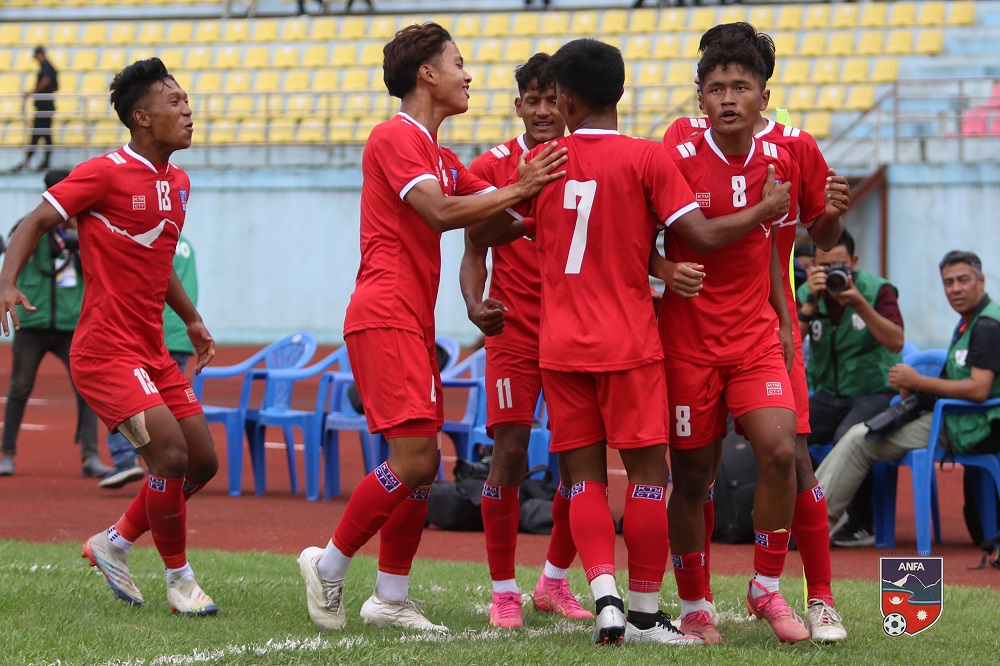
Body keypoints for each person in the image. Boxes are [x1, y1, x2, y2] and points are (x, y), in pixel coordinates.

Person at [502, 37, 789, 647]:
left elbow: (492, 225)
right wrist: (764, 209)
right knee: (648, 478)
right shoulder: (646, 157)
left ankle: (602, 597)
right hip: (628, 343)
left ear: (565, 100)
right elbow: (701, 236)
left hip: (560, 345)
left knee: (583, 479)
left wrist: (511, 207)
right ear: (620, 93)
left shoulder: (541, 164)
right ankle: (643, 612)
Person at [296, 22, 567, 634]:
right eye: (459, 63)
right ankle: (329, 563)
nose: (468, 76)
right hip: (385, 314)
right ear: (427, 74)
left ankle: (390, 594)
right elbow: (443, 213)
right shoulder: (395, 136)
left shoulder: (441, 157)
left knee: (421, 463)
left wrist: (545, 202)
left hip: (414, 321)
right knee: (415, 460)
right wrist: (522, 187)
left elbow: (497, 219)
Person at [0, 58, 220, 616]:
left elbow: (157, 258)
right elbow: (34, 222)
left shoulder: (179, 183)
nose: (188, 111)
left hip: (152, 350)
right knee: (169, 455)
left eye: (186, 100)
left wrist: (192, 319)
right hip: (104, 352)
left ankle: (114, 542)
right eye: (175, 102)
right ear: (142, 117)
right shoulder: (103, 172)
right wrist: (6, 281)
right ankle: (180, 580)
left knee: (202, 462)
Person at [661, 22, 851, 643]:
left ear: (763, 94)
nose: (728, 98)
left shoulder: (792, 149)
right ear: (700, 94)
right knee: (694, 476)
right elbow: (660, 234)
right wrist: (663, 270)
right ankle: (695, 603)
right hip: (689, 337)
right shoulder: (678, 145)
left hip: (759, 330)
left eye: (740, 86)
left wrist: (831, 217)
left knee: (785, 454)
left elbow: (814, 235)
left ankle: (789, 592)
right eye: (715, 87)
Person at [459, 53, 590, 629]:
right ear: (517, 106)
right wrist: (474, 304)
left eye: (551, 100)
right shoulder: (491, 166)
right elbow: (473, 246)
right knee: (509, 452)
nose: (542, 110)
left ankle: (554, 582)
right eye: (532, 100)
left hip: (575, 329)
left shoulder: (588, 161)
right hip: (513, 329)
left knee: (578, 461)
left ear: (568, 104)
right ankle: (504, 590)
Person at [817, 250, 1000, 529]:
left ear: (981, 281)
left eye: (963, 280)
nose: (955, 289)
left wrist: (919, 382)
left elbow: (979, 390)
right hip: (954, 418)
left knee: (859, 441)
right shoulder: (971, 320)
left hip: (969, 424)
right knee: (855, 435)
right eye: (948, 282)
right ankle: (811, 516)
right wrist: (915, 392)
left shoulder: (987, 325)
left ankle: (817, 523)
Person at [0, 169, 111, 479]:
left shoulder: (84, 226)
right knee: (20, 387)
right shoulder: (30, 224)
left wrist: (77, 234)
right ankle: (7, 453)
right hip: (32, 321)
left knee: (86, 390)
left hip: (70, 323)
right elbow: (13, 249)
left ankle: (90, 455)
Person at [798, 229, 904, 546]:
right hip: (828, 393)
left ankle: (861, 522)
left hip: (874, 389)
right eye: (824, 266)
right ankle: (814, 503)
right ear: (812, 265)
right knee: (785, 434)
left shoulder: (878, 290)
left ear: (854, 262)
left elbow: (896, 341)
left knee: (850, 435)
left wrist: (859, 303)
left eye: (839, 266)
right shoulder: (805, 293)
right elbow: (786, 345)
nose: (832, 273)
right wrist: (810, 304)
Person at [99, 233, 199, 489]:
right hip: (180, 334)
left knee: (127, 398)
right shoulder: (184, 244)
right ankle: (165, 463)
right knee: (165, 403)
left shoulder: (145, 241)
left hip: (151, 334)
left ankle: (126, 459)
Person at [14, 47, 59, 173]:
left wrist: (33, 92)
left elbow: (46, 80)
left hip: (44, 105)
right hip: (46, 105)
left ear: (40, 55)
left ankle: (28, 161)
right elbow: (56, 86)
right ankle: (42, 162)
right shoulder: (49, 67)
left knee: (38, 133)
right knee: (45, 134)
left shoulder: (46, 67)